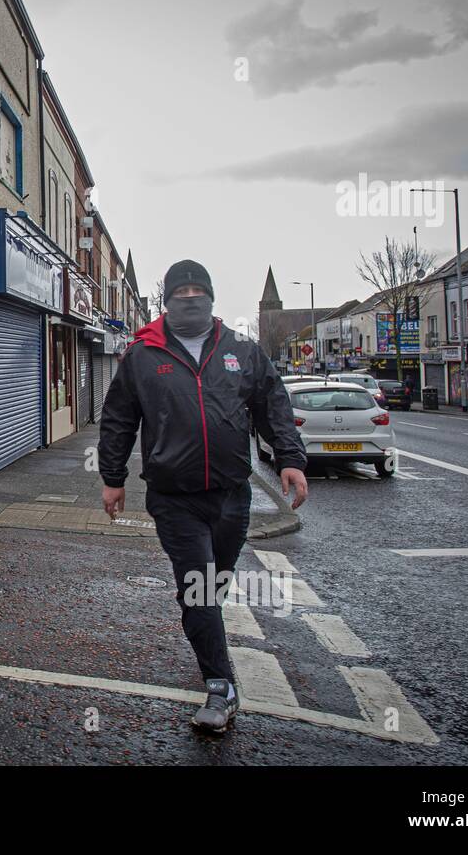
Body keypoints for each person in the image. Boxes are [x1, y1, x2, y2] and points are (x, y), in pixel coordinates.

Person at [97, 259, 309, 734]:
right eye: (181, 291)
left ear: (211, 297)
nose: (190, 298)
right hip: (174, 498)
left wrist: (291, 459)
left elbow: (274, 404)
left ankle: (207, 634)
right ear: (167, 300)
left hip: (233, 496)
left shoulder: (242, 350)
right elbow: (117, 420)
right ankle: (221, 686)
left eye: (198, 290)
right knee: (198, 587)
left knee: (213, 585)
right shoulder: (143, 355)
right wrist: (112, 478)